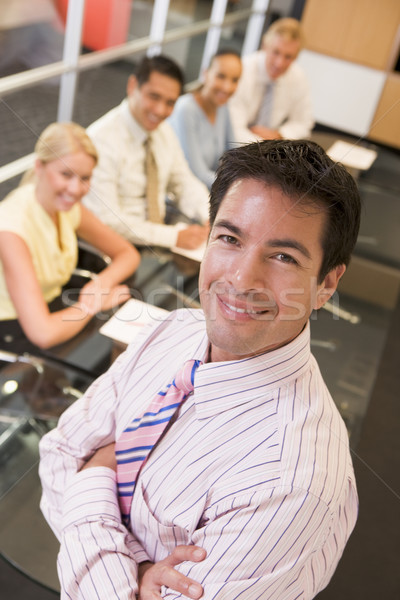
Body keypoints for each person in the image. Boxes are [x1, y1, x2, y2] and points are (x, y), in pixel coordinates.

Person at [39, 139, 360, 600]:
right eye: (230, 238)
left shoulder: (295, 482)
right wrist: (140, 566)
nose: (240, 279)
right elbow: (57, 455)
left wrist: (95, 471)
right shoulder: (173, 328)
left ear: (326, 284)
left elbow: (75, 468)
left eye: (283, 256)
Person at [0, 122, 140, 352]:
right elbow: (42, 334)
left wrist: (98, 287)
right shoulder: (11, 228)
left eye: (85, 178)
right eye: (66, 174)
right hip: (14, 334)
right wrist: (91, 304)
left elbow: (127, 253)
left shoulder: (66, 206)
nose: (76, 189)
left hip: (54, 309)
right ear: (39, 167)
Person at [82, 54, 210, 251]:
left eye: (170, 103)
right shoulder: (100, 141)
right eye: (154, 97)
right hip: (115, 245)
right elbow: (107, 219)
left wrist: (209, 214)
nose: (160, 111)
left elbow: (183, 181)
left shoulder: (163, 131)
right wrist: (173, 237)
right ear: (133, 86)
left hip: (158, 238)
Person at [229, 17, 314, 143]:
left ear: (296, 57)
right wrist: (266, 147)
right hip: (237, 147)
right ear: (265, 46)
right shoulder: (243, 71)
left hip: (272, 147)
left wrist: (279, 135)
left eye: (288, 57)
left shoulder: (297, 76)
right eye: (276, 52)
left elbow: (304, 122)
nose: (280, 63)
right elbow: (234, 129)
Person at [168, 49, 242, 190]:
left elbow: (234, 152)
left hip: (210, 189)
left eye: (235, 80)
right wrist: (236, 187)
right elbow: (198, 173)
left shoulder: (222, 106)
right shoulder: (186, 109)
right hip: (185, 194)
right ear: (205, 74)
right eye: (221, 76)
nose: (227, 87)